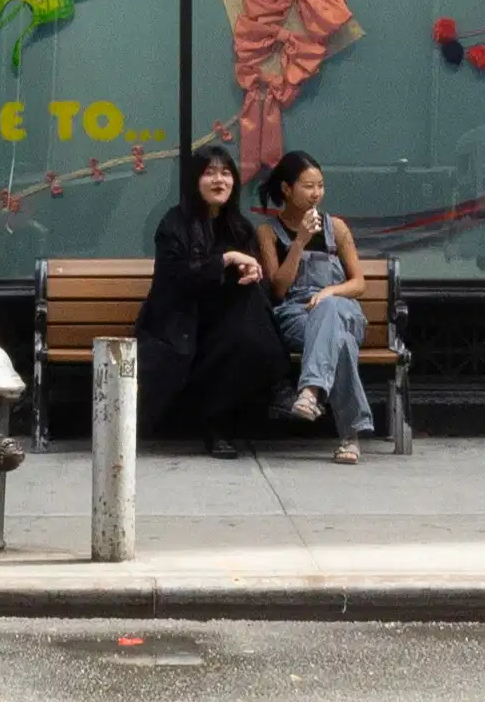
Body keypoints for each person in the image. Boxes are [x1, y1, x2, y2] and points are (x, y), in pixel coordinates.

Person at [133, 143, 288, 459]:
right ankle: (279, 384)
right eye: (210, 173)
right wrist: (227, 259)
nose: (220, 180)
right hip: (180, 323)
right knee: (241, 333)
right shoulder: (173, 224)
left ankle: (239, 410)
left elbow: (244, 278)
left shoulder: (240, 226)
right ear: (194, 181)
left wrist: (249, 270)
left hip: (225, 323)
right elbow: (177, 280)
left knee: (249, 305)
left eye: (226, 172)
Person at [254, 150, 373, 464]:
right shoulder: (268, 232)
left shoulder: (337, 228)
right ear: (286, 189)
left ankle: (310, 391)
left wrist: (331, 292)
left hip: (343, 308)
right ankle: (351, 436)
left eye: (320, 185)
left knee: (332, 311)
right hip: (296, 314)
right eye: (308, 186)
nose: (316, 193)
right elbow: (278, 288)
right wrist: (300, 241)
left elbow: (358, 283)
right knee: (342, 343)